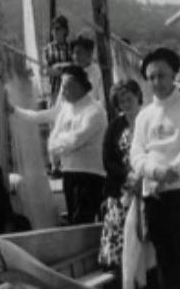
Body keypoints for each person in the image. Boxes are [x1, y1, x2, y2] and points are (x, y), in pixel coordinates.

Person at [129, 47, 180, 289]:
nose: (156, 82)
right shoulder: (144, 116)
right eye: (151, 77)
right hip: (153, 196)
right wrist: (154, 172)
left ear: (173, 75)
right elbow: (136, 154)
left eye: (162, 75)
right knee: (161, 256)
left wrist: (170, 172)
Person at [12, 66, 108, 224]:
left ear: (78, 85)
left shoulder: (95, 111)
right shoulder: (66, 108)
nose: (62, 91)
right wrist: (14, 110)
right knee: (73, 217)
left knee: (83, 220)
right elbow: (41, 120)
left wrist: (59, 142)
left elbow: (73, 141)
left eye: (65, 86)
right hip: (69, 172)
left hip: (90, 175)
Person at [98, 80, 143, 283]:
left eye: (129, 97)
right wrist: (127, 177)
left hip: (146, 185)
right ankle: (120, 278)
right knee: (120, 233)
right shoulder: (115, 126)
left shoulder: (147, 118)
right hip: (122, 189)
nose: (126, 102)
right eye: (121, 100)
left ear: (137, 96)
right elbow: (108, 159)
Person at [43, 15, 73, 101]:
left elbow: (76, 68)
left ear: (65, 30)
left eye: (57, 28)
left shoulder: (72, 48)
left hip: (70, 93)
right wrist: (66, 70)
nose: (54, 31)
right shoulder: (47, 50)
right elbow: (45, 71)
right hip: (54, 93)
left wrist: (57, 68)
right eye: (53, 28)